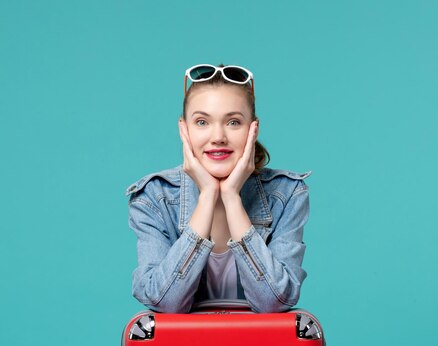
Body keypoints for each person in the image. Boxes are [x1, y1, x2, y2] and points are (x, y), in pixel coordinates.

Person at [126, 64, 310, 313]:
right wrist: (207, 197)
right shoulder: (154, 198)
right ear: (184, 129)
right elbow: (164, 302)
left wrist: (232, 197)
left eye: (233, 122)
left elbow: (273, 301)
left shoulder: (287, 195)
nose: (218, 137)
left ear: (253, 129)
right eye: (202, 122)